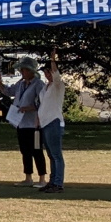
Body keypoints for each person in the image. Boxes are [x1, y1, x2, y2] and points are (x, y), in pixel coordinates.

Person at [0, 57, 49, 188]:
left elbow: (42, 103)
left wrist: (29, 108)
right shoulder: (20, 84)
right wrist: (0, 84)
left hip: (34, 123)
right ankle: (28, 177)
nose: (22, 72)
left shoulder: (38, 84)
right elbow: (9, 92)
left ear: (31, 70)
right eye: (21, 69)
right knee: (25, 150)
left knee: (36, 150)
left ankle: (42, 178)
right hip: (21, 122)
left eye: (25, 69)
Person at [37, 51, 68, 193]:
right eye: (45, 72)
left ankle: (58, 183)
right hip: (45, 123)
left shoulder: (58, 85)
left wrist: (53, 61)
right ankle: (53, 180)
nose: (47, 74)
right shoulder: (45, 87)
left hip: (53, 121)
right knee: (50, 154)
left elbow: (56, 75)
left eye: (48, 71)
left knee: (56, 154)